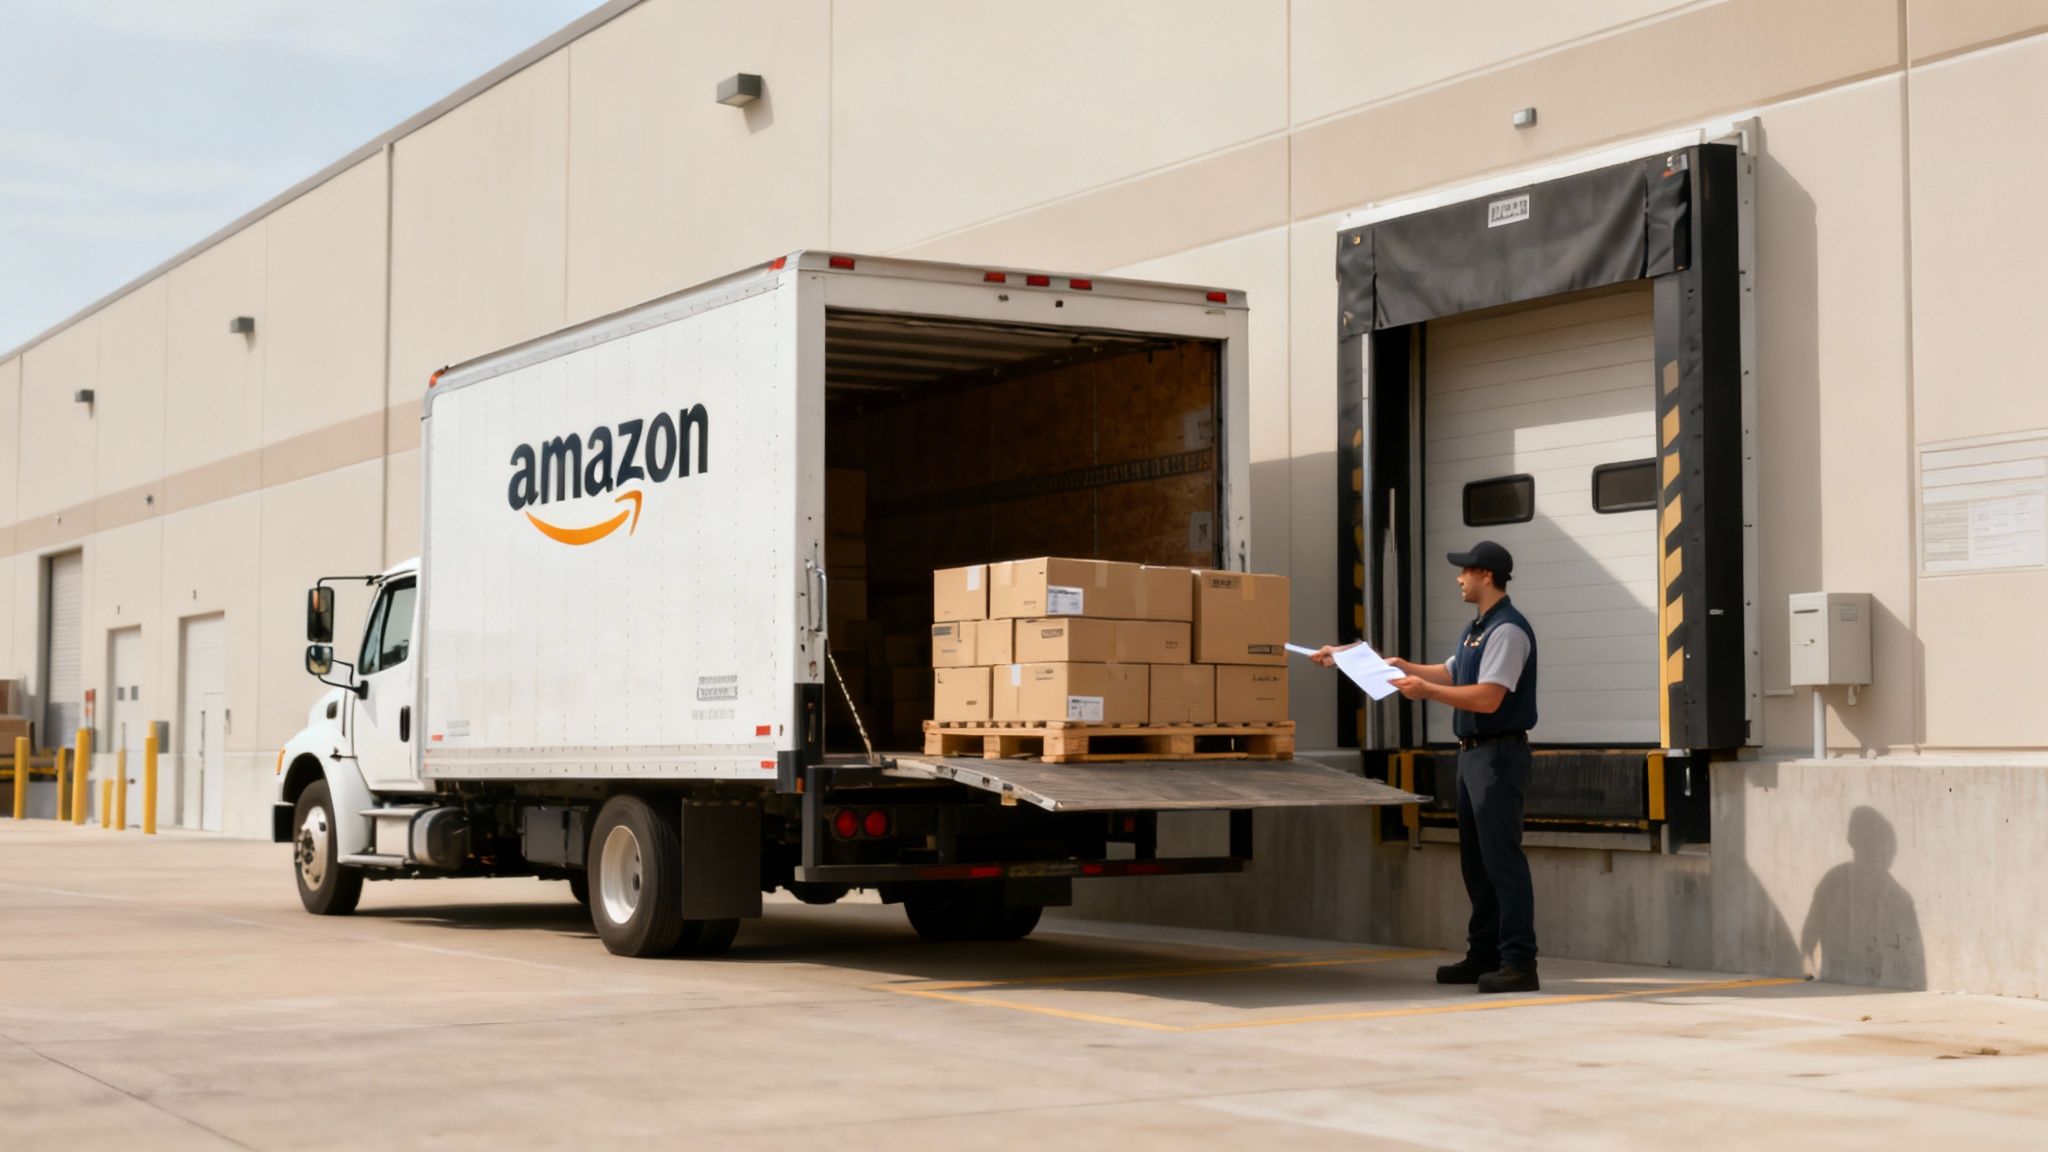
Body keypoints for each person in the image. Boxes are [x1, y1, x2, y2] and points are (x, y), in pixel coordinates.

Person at [1314, 540, 1540, 993]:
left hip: (1497, 755)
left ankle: (1519, 963)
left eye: (1465, 572)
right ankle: (1484, 955)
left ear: (1486, 575)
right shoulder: (1477, 628)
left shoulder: (1509, 630)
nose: (1458, 578)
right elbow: (1452, 672)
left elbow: (1489, 695)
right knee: (1476, 863)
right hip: (1474, 754)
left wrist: (1425, 692)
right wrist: (1389, 664)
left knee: (1502, 860)